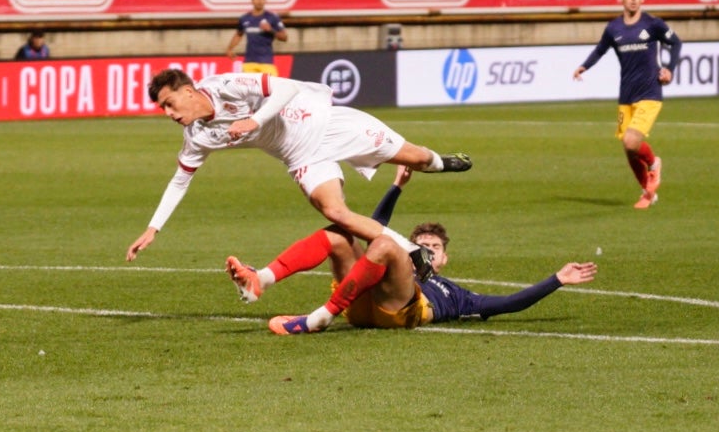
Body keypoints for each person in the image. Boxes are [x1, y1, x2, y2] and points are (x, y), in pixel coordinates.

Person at [125, 69, 473, 281]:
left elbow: (287, 89)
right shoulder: (198, 136)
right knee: (335, 212)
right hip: (300, 156)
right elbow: (180, 179)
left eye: (170, 103)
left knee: (415, 157)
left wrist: (255, 120)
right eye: (162, 109)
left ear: (188, 91)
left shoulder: (226, 85)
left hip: (325, 123)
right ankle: (415, 251)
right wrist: (153, 228)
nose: (169, 113)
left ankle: (442, 162)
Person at [224, 166, 598, 334]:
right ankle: (262, 280)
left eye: (434, 248)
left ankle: (318, 318)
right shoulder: (392, 254)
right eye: (422, 246)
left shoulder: (459, 295)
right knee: (340, 235)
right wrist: (396, 188)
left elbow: (508, 303)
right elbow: (373, 228)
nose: (428, 251)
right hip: (358, 301)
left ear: (445, 258)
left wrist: (557, 280)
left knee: (382, 243)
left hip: (403, 310)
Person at [572, 0, 682, 209]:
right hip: (626, 95)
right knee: (628, 149)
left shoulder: (653, 24)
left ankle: (654, 165)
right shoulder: (614, 28)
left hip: (650, 92)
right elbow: (600, 49)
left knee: (632, 142)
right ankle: (647, 192)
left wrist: (669, 69)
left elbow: (676, 42)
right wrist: (584, 66)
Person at [224, 0, 288, 73]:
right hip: (249, 63)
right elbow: (238, 34)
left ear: (265, 0)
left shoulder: (272, 18)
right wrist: (230, 49)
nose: (259, 1)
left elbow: (284, 37)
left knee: (270, 87)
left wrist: (271, 30)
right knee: (247, 87)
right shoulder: (245, 18)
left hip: (266, 63)